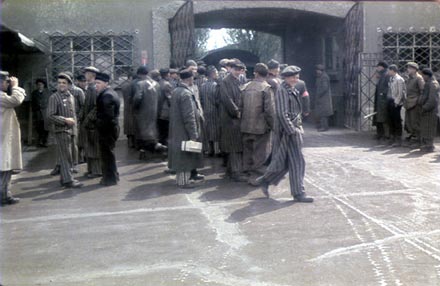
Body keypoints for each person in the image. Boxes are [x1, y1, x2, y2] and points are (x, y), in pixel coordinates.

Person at [251, 66, 313, 203]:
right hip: (288, 131)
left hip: (292, 129)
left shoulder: (292, 89)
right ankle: (298, 193)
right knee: (298, 162)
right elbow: (281, 113)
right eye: (292, 77)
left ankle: (265, 180)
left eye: (297, 77)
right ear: (285, 77)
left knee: (284, 162)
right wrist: (292, 131)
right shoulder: (282, 90)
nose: (295, 79)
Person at [168, 69, 204, 188]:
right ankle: (183, 181)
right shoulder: (186, 94)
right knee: (184, 156)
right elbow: (189, 116)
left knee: (185, 154)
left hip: (177, 129)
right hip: (184, 130)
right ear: (189, 79)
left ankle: (190, 176)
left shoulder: (176, 91)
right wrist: (193, 134)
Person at [239, 63, 275, 180]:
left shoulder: (245, 87)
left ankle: (247, 173)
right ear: (267, 74)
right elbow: (270, 111)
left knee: (247, 151)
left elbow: (240, 107)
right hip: (261, 127)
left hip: (245, 126)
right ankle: (256, 177)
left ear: (255, 73)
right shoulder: (266, 88)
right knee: (260, 153)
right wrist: (274, 126)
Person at [47, 73, 82, 188]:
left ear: (69, 85)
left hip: (71, 131)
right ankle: (68, 181)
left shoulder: (70, 96)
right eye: (59, 83)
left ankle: (65, 178)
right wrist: (65, 120)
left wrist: (75, 129)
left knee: (69, 155)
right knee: (65, 156)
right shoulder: (54, 97)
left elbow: (74, 114)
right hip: (61, 131)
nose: (61, 85)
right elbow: (50, 116)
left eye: (64, 83)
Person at [219, 59, 247, 182]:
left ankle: (231, 170)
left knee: (236, 144)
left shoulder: (241, 80)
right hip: (230, 117)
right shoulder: (225, 81)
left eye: (240, 70)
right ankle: (235, 172)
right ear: (231, 69)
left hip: (238, 116)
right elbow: (226, 99)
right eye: (236, 69)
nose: (238, 72)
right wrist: (237, 112)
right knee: (234, 145)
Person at [1, 72, 25, 205]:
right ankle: (3, 196)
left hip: (3, 136)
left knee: (5, 166)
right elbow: (16, 100)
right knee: (4, 166)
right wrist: (16, 86)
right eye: (6, 82)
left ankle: (5, 194)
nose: (8, 84)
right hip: (2, 138)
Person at [133, 66, 166, 155]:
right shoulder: (157, 84)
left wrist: (135, 107)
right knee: (153, 129)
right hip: (155, 110)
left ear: (140, 74)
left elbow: (138, 98)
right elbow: (160, 99)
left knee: (143, 131)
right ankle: (156, 147)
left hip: (143, 111)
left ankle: (147, 149)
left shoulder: (140, 84)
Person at [95, 72, 121, 185]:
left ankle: (110, 179)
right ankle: (114, 176)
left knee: (107, 155)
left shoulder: (107, 95)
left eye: (99, 83)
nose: (96, 85)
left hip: (107, 130)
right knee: (109, 153)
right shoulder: (110, 93)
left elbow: (107, 116)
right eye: (95, 83)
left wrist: (99, 124)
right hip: (111, 128)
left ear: (106, 83)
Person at [80, 66, 102, 179]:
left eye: (87, 73)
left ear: (92, 75)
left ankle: (97, 171)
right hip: (88, 123)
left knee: (94, 147)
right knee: (89, 147)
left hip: (92, 123)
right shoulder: (90, 87)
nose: (85, 75)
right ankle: (91, 169)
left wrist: (87, 119)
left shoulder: (94, 88)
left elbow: (96, 107)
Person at [199, 65, 221, 156]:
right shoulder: (215, 86)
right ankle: (217, 151)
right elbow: (218, 100)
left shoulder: (202, 86)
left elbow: (201, 99)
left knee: (208, 131)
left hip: (205, 111)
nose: (217, 74)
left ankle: (210, 150)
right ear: (212, 74)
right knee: (216, 131)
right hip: (215, 111)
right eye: (216, 72)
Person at [403, 62, 425, 148]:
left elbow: (422, 91)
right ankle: (414, 138)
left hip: (415, 104)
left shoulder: (419, 78)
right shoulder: (410, 78)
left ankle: (419, 141)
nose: (408, 70)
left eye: (409, 68)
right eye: (408, 68)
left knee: (416, 123)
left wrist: (418, 102)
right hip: (409, 103)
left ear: (414, 69)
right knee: (409, 123)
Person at [418, 68, 439, 152]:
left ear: (426, 75)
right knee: (426, 128)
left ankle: (429, 146)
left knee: (429, 128)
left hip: (430, 111)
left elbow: (432, 100)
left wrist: (425, 107)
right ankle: (427, 145)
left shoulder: (433, 84)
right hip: (426, 110)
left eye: (423, 75)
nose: (422, 77)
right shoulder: (428, 83)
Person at [387, 64, 406, 147]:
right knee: (391, 121)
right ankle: (392, 137)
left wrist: (396, 102)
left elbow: (401, 92)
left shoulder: (399, 79)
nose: (388, 72)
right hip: (391, 101)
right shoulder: (391, 79)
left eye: (389, 70)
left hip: (397, 103)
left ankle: (398, 139)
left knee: (397, 121)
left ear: (393, 70)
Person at [373, 61, 390, 142]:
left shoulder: (386, 75)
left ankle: (385, 135)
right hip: (380, 100)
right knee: (379, 117)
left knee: (383, 118)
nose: (377, 68)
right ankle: (380, 133)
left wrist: (383, 95)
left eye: (378, 67)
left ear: (382, 67)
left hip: (383, 100)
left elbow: (387, 88)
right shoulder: (382, 75)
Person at [31, 78, 50, 147]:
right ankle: (39, 141)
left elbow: (50, 102)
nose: (40, 86)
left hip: (46, 112)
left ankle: (45, 141)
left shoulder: (48, 92)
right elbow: (32, 103)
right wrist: (35, 111)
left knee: (46, 127)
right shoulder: (34, 93)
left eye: (41, 84)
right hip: (38, 112)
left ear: (43, 85)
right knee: (39, 127)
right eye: (38, 85)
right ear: (37, 85)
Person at [314, 64, 333, 132]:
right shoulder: (320, 77)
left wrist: (319, 94)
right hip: (322, 98)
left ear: (321, 70)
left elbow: (325, 88)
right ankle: (322, 126)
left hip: (324, 99)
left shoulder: (324, 77)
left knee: (323, 114)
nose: (317, 71)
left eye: (318, 70)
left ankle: (324, 127)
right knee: (321, 113)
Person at [158, 68, 174, 146]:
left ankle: (161, 147)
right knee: (166, 132)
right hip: (165, 111)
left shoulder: (158, 83)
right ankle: (166, 149)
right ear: (167, 74)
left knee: (161, 132)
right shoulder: (167, 84)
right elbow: (170, 98)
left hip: (159, 110)